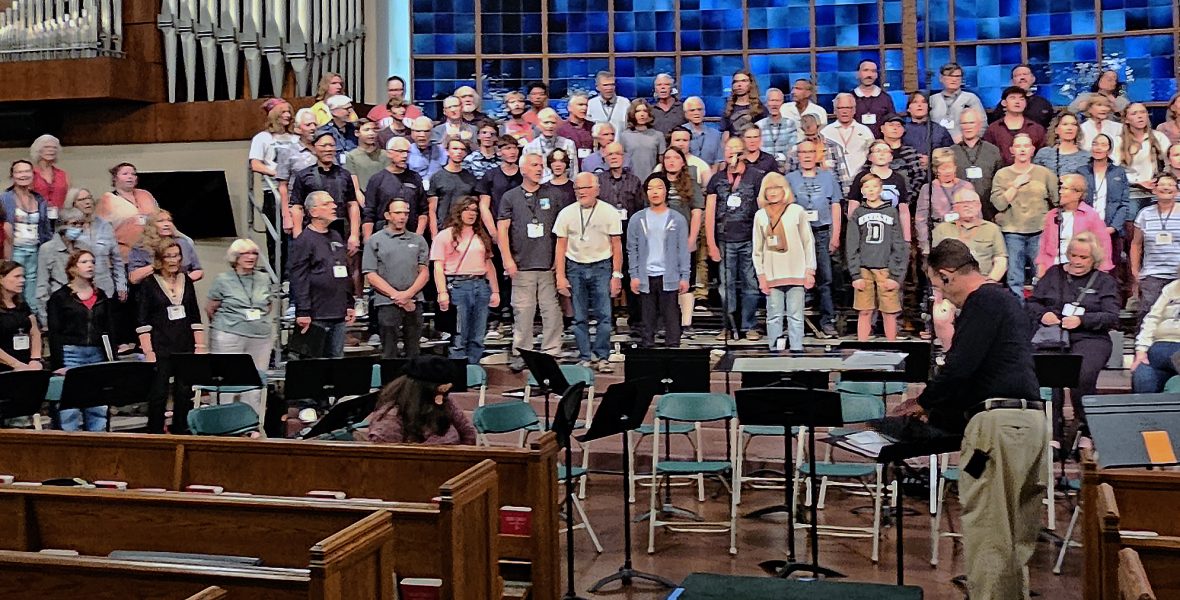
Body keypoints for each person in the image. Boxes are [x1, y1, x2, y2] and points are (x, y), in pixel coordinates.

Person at [895, 238, 1046, 600]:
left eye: (937, 285)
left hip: (998, 427)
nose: (941, 296)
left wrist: (924, 402)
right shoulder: (1005, 300)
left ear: (948, 274)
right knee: (1015, 539)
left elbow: (960, 369)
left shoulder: (982, 301)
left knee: (990, 535)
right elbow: (980, 373)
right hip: (1030, 424)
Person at [1027, 232, 1120, 446]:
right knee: (1049, 376)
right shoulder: (1054, 274)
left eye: (1083, 257)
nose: (1077, 261)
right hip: (1053, 335)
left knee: (1082, 375)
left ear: (1094, 259)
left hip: (1090, 337)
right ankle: (1052, 434)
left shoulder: (1105, 281)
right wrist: (1043, 314)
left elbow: (1112, 316)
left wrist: (1082, 320)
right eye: (1074, 256)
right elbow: (1032, 303)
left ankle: (1085, 429)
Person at [497, 152, 564, 372]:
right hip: (521, 264)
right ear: (523, 169)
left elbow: (561, 231)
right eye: (534, 165)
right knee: (523, 311)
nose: (539, 169)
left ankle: (551, 351)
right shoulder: (510, 197)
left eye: (541, 165)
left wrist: (558, 261)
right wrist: (507, 259)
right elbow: (502, 230)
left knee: (551, 310)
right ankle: (521, 353)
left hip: (547, 264)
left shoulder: (553, 194)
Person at [554, 173, 623, 372]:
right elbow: (560, 246)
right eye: (578, 189)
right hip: (575, 267)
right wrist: (560, 276)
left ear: (597, 189)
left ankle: (602, 357)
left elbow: (616, 245)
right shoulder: (566, 213)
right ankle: (584, 356)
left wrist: (616, 275)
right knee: (579, 317)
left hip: (602, 266)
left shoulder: (609, 212)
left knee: (604, 316)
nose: (581, 192)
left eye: (585, 188)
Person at [136, 241, 205, 434]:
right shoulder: (149, 284)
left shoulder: (186, 280)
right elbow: (142, 320)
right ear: (160, 259)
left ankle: (181, 431)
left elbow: (195, 315)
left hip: (185, 345)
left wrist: (200, 346)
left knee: (184, 393)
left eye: (177, 255)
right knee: (159, 393)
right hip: (160, 347)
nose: (174, 260)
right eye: (169, 256)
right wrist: (148, 351)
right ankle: (155, 433)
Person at [47, 250, 116, 432]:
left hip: (97, 354)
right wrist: (58, 363)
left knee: (98, 406)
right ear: (72, 268)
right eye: (84, 262)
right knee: (69, 408)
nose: (90, 265)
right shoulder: (60, 297)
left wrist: (112, 359)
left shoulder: (101, 296)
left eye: (92, 261)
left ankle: (98, 441)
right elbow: (55, 333)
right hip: (71, 353)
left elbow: (109, 329)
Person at [706, 137, 766, 341]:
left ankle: (749, 325)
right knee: (726, 286)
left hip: (749, 239)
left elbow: (762, 209)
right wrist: (711, 243)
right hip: (724, 240)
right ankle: (728, 326)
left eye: (736, 150)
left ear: (743, 153)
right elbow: (710, 212)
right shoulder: (717, 179)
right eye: (728, 149)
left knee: (751, 284)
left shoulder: (756, 176)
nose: (732, 153)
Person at [931, 190, 1008, 346]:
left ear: (979, 206)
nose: (968, 206)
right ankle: (950, 352)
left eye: (972, 203)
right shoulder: (942, 230)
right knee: (941, 316)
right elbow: (935, 263)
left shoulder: (992, 229)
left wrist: (990, 282)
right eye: (963, 203)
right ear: (954, 207)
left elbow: (1001, 259)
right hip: (951, 288)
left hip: (982, 286)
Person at [431, 197, 500, 364]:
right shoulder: (445, 235)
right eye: (467, 209)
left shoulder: (481, 235)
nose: (471, 214)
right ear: (458, 212)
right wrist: (442, 292)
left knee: (478, 335)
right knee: (459, 334)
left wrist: (495, 291)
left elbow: (489, 264)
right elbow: (438, 266)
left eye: (474, 210)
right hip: (458, 286)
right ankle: (458, 372)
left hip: (481, 285)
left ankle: (473, 369)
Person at [289, 191, 356, 358]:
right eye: (327, 204)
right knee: (315, 363)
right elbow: (299, 277)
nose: (334, 206)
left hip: (338, 312)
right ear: (313, 212)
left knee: (336, 361)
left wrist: (349, 303)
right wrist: (303, 311)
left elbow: (345, 271)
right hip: (316, 315)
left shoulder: (336, 235)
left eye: (333, 203)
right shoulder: (305, 240)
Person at [991, 134, 1059, 298]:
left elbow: (1057, 200)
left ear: (1032, 150)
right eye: (1018, 146)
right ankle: (1017, 308)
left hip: (1040, 230)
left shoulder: (1045, 174)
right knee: (1015, 277)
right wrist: (1016, 184)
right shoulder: (1002, 174)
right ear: (1012, 150)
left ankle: (1041, 307)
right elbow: (999, 204)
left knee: (1042, 274)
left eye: (1026, 146)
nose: (1022, 149)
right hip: (1012, 231)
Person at [786, 139, 842, 337]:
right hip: (797, 234)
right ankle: (795, 322)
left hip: (822, 232)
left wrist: (835, 235)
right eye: (803, 152)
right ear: (798, 156)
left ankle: (827, 321)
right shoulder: (790, 179)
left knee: (825, 279)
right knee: (796, 278)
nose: (807, 156)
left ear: (817, 155)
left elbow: (836, 205)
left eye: (810, 152)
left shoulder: (828, 177)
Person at [627, 174, 690, 348]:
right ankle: (648, 352)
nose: (655, 192)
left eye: (659, 188)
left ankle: (673, 351)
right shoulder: (637, 219)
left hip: (669, 276)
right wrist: (634, 275)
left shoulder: (677, 219)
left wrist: (684, 276)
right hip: (646, 276)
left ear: (666, 191)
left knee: (671, 319)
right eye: (650, 188)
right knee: (647, 321)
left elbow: (683, 250)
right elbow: (632, 249)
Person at [753, 172, 815, 351]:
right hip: (772, 273)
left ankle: (797, 350)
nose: (772, 192)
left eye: (777, 188)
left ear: (785, 190)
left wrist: (810, 270)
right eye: (769, 189)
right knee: (774, 316)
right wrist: (761, 275)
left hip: (796, 272)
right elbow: (757, 249)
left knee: (796, 316)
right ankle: (774, 352)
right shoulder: (760, 215)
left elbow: (808, 242)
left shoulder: (797, 211)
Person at [206, 238, 276, 392]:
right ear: (235, 257)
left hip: (260, 336)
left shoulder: (264, 278)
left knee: (255, 382)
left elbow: (268, 305)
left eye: (254, 253)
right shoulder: (223, 279)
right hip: (229, 334)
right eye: (245, 253)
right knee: (228, 380)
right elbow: (211, 308)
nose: (251, 257)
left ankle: (253, 408)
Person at [364, 200, 430, 359]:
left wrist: (408, 295)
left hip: (414, 302)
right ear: (387, 215)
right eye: (398, 213)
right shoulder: (375, 240)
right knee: (389, 352)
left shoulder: (418, 240)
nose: (402, 217)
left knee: (414, 351)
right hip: (386, 303)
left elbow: (424, 272)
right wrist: (397, 296)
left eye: (406, 213)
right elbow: (371, 274)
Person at [846, 173, 907, 341]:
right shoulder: (858, 213)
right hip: (863, 269)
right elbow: (851, 245)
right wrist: (855, 274)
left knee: (889, 312)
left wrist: (895, 275)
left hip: (886, 269)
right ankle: (862, 345)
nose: (871, 190)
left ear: (881, 189)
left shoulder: (891, 212)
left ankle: (892, 347)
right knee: (864, 310)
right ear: (862, 191)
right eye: (867, 187)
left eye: (874, 186)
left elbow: (898, 244)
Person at [365, 355, 476, 445]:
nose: (443, 396)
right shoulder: (390, 420)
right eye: (440, 390)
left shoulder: (446, 403)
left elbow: (468, 434)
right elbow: (386, 458)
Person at [289, 131, 361, 253]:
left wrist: (354, 235)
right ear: (314, 148)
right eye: (324, 146)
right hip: (313, 229)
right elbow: (297, 206)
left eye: (331, 145)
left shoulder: (344, 174)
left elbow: (352, 204)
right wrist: (298, 234)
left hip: (341, 229)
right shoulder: (304, 175)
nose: (328, 149)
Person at [1036, 174, 1113, 277]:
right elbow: (1043, 247)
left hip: (1080, 271)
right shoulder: (1052, 215)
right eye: (1059, 188)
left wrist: (1102, 272)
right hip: (1053, 269)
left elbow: (1104, 245)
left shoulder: (1090, 215)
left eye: (1064, 188)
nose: (1060, 192)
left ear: (1078, 193)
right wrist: (1041, 268)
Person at [249, 98, 296, 266]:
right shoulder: (262, 138)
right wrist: (278, 173)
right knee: (278, 238)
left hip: (295, 190)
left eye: (289, 112)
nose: (287, 115)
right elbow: (255, 164)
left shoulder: (295, 138)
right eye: (283, 112)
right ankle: (279, 273)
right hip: (274, 192)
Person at [1131, 174, 1180, 321]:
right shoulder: (1144, 214)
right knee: (1148, 316)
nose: (1166, 188)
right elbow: (1136, 244)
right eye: (1162, 184)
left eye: (1170, 185)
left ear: (1177, 191)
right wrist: (1135, 271)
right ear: (1154, 190)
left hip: (1178, 274)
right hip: (1152, 274)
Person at [3, 160, 51, 304]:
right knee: (14, 283)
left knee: (33, 284)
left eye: (27, 171)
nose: (23, 175)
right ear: (12, 175)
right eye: (19, 172)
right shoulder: (4, 198)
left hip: (35, 249)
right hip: (15, 249)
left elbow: (45, 228)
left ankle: (33, 314)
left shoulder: (39, 199)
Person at [362, 137, 428, 240]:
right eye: (400, 151)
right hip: (384, 237)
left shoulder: (415, 178)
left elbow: (423, 211)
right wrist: (368, 241)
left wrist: (418, 236)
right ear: (389, 153)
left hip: (410, 235)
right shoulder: (377, 179)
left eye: (407, 152)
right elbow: (369, 213)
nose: (405, 155)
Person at [1079, 133, 1132, 262]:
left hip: (1111, 229)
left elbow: (1124, 203)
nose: (1098, 148)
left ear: (1109, 150)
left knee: (1111, 265)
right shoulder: (1081, 171)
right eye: (1095, 144)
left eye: (1103, 145)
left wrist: (1113, 227)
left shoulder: (1118, 172)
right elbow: (1077, 201)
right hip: (1086, 228)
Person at [847, 141, 912, 241]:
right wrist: (853, 235)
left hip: (892, 232)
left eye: (885, 151)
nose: (882, 154)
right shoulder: (861, 177)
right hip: (866, 231)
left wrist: (907, 238)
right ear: (870, 157)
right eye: (877, 151)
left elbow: (903, 211)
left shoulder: (899, 179)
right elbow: (853, 207)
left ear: (891, 157)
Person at [916, 149, 974, 257]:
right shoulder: (928, 189)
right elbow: (921, 219)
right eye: (943, 168)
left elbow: (976, 214)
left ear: (955, 167)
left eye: (950, 167)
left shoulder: (966, 186)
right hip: (938, 237)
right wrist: (925, 245)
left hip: (964, 236)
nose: (947, 172)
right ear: (936, 170)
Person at [35, 208, 87, 324]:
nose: (78, 228)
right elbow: (42, 284)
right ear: (62, 225)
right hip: (59, 304)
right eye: (74, 224)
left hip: (82, 304)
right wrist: (44, 318)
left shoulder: (84, 247)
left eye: (81, 224)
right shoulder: (47, 248)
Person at [950, 108, 1004, 220]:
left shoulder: (993, 151)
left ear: (979, 125)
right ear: (960, 126)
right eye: (964, 123)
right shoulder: (951, 152)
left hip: (988, 211)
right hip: (959, 211)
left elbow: (1000, 182)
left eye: (971, 122)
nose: (968, 126)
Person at [1117, 103, 1171, 212]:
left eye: (1143, 112)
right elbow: (1114, 171)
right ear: (1126, 120)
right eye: (1134, 113)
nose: (1140, 116)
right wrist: (1136, 182)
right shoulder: (1118, 141)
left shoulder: (1159, 137)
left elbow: (1170, 163)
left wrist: (1160, 179)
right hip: (1131, 193)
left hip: (1156, 192)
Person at [1132, 273, 1180, 393]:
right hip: (1159, 347)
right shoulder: (1172, 287)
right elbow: (1152, 318)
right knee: (1143, 376)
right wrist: (1141, 350)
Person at [277, 109, 321, 238]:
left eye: (315, 124)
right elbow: (283, 186)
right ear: (297, 129)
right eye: (308, 125)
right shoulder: (288, 151)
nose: (313, 128)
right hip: (299, 209)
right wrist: (286, 216)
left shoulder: (323, 148)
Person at [127, 210, 203, 285]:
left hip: (181, 288)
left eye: (169, 220)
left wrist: (182, 282)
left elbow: (198, 271)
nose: (167, 224)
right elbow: (134, 278)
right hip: (152, 289)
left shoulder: (183, 243)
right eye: (161, 221)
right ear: (150, 226)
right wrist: (157, 265)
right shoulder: (141, 247)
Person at [821, 93, 874, 194]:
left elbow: (872, 156)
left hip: (861, 182)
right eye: (840, 108)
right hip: (834, 183)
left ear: (854, 110)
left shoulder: (865, 131)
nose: (844, 111)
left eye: (848, 108)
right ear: (834, 110)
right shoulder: (825, 132)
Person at [427, 137, 478, 238]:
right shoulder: (437, 177)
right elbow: (432, 210)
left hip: (464, 229)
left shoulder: (470, 178)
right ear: (447, 151)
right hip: (443, 228)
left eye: (462, 149)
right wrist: (434, 233)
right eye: (455, 149)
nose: (459, 152)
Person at [984, 86, 1047, 165]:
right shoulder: (993, 129)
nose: (1018, 102)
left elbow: (1043, 155)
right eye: (1013, 98)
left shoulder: (1037, 129)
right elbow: (988, 155)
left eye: (1021, 99)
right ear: (1004, 103)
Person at [0, 261, 42, 373]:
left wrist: (35, 359)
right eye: (17, 276)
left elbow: (35, 332)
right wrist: (15, 364)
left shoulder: (22, 304)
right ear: (1, 279)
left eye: (23, 276)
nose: (22, 280)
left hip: (26, 364)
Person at [929, 62, 983, 144]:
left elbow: (982, 125)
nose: (954, 80)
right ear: (941, 78)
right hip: (936, 146)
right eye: (950, 76)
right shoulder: (932, 100)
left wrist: (967, 141)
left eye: (957, 76)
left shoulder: (971, 98)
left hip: (964, 145)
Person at [989, 64, 1055, 129]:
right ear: (1012, 82)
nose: (1022, 78)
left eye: (1025, 74)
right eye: (1018, 75)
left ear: (1033, 79)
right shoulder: (1005, 104)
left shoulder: (1043, 103)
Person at [524, 107, 580, 181]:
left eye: (553, 123)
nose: (550, 126)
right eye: (546, 122)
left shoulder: (568, 144)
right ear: (538, 124)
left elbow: (574, 172)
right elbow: (527, 173)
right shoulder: (529, 148)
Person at [619, 99, 666, 180]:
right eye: (638, 111)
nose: (642, 114)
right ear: (632, 114)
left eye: (645, 111)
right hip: (630, 181)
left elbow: (662, 162)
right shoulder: (624, 136)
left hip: (652, 181)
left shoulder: (658, 135)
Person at [901, 91, 954, 162]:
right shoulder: (901, 130)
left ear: (928, 107)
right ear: (908, 109)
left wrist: (931, 160)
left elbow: (950, 154)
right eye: (915, 102)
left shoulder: (940, 130)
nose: (919, 105)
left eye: (923, 102)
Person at [1033, 111, 1089, 177]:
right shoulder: (1044, 154)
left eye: (1074, 124)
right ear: (1056, 130)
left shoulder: (1087, 157)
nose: (1069, 128)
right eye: (1065, 124)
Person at [851, 59, 895, 138]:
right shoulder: (850, 97)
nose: (869, 75)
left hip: (881, 143)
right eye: (866, 70)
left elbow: (892, 122)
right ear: (858, 74)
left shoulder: (885, 98)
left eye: (873, 71)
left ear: (877, 75)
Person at [755, 88, 797, 170]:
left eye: (777, 101)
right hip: (764, 168)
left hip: (786, 167)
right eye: (772, 100)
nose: (774, 104)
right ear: (766, 103)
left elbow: (792, 148)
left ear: (782, 103)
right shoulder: (758, 125)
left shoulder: (790, 124)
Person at [345, 118, 389, 193]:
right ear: (357, 133)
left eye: (374, 130)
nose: (371, 133)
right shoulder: (351, 156)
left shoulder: (385, 155)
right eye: (366, 130)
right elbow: (355, 187)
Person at [29, 134, 70, 216]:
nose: (51, 150)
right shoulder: (30, 173)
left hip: (59, 217)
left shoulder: (63, 174)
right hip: (36, 217)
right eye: (46, 147)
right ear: (38, 150)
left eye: (54, 148)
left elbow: (69, 198)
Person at [719, 70, 763, 141]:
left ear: (751, 84)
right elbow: (725, 135)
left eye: (743, 81)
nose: (739, 85)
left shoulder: (759, 107)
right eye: (736, 81)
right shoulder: (728, 108)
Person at [682, 96, 723, 166]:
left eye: (699, 109)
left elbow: (719, 160)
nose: (696, 113)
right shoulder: (680, 133)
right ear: (686, 114)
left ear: (704, 112)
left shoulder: (716, 134)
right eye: (692, 110)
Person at [588, 71, 631, 135]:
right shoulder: (591, 104)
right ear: (597, 87)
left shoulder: (625, 103)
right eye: (605, 85)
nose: (609, 88)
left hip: (621, 140)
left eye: (612, 84)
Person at [408, 116, 447, 183]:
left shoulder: (441, 151)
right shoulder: (406, 151)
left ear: (432, 132)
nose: (422, 135)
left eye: (426, 131)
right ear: (412, 133)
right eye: (418, 131)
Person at [320, 96, 359, 160]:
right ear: (334, 111)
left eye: (351, 108)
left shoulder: (354, 129)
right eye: (347, 108)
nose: (350, 111)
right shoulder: (325, 132)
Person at [558, 91, 594, 156]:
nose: (584, 108)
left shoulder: (593, 127)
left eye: (586, 105)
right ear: (569, 108)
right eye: (580, 105)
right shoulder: (561, 129)